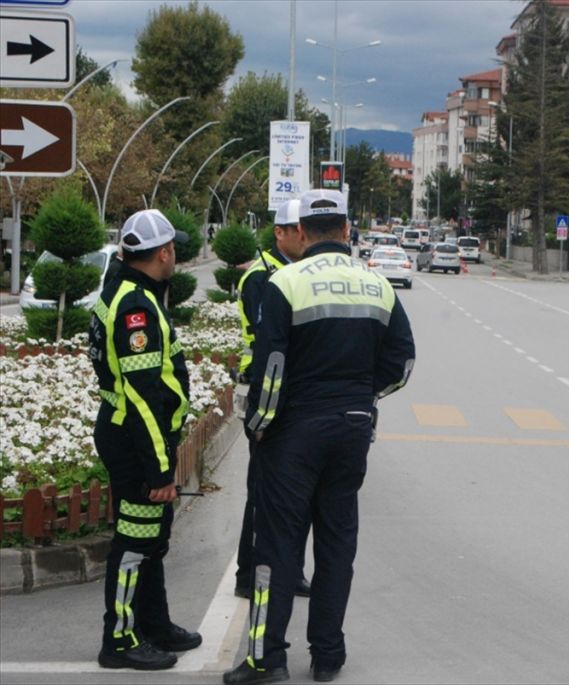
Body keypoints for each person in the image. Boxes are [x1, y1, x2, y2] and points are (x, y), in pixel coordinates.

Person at [224, 190, 415, 685]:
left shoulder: (283, 283)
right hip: (352, 428)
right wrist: (363, 397)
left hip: (293, 433)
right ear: (348, 232)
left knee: (278, 548)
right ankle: (328, 655)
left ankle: (266, 658)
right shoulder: (378, 285)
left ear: (303, 233)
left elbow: (270, 369)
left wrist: (260, 426)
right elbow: (403, 363)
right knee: (336, 546)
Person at [88, 209, 201, 671]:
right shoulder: (136, 307)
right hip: (136, 443)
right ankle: (118, 640)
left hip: (132, 436)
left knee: (152, 538)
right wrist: (160, 470)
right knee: (135, 544)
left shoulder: (129, 292)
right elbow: (142, 398)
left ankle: (154, 624)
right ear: (164, 253)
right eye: (174, 250)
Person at [234, 199, 312, 600]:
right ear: (279, 232)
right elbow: (269, 343)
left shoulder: (296, 273)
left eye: (306, 229)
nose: (303, 236)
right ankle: (249, 573)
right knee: (263, 490)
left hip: (293, 393)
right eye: (296, 230)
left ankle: (290, 569)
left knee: (294, 493)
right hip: (265, 392)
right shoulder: (262, 278)